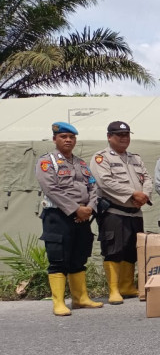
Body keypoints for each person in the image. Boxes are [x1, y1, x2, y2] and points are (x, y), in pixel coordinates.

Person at [35, 122, 102, 316]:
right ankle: (58, 302)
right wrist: (75, 210)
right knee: (58, 258)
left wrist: (89, 208)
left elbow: (93, 187)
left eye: (71, 137)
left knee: (79, 257)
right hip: (57, 216)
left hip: (83, 215)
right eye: (63, 137)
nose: (68, 140)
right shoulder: (47, 162)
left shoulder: (81, 163)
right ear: (55, 139)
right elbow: (51, 189)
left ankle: (80, 298)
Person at [90, 121, 153, 304]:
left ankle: (127, 286)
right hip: (114, 211)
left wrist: (145, 195)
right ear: (109, 137)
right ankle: (114, 290)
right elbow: (104, 182)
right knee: (114, 250)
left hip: (135, 211)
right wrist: (133, 193)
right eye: (119, 135)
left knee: (131, 250)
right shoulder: (101, 158)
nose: (124, 138)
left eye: (126, 134)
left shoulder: (135, 158)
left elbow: (147, 179)